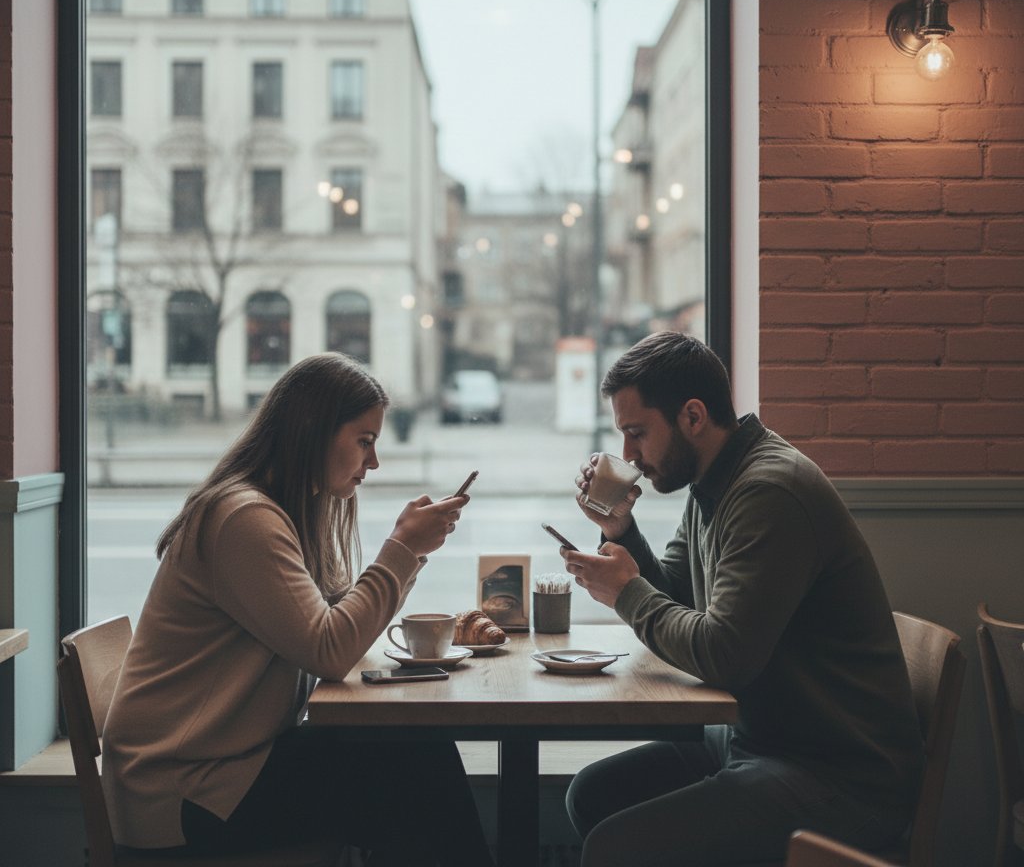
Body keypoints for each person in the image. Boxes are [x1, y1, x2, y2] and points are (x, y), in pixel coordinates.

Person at [101, 352, 494, 867]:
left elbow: (333, 629)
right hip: (185, 791)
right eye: (365, 441)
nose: (373, 463)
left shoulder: (280, 509)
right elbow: (330, 651)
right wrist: (402, 548)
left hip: (221, 768)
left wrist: (410, 552)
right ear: (313, 430)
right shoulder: (244, 518)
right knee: (418, 767)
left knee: (412, 759)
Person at [561, 332, 925, 867]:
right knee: (593, 793)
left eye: (637, 433)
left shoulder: (768, 490)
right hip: (761, 741)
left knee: (617, 847)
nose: (628, 455)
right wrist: (622, 531)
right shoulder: (713, 482)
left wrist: (626, 592)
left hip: (840, 775)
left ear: (692, 416)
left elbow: (724, 654)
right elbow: (681, 598)